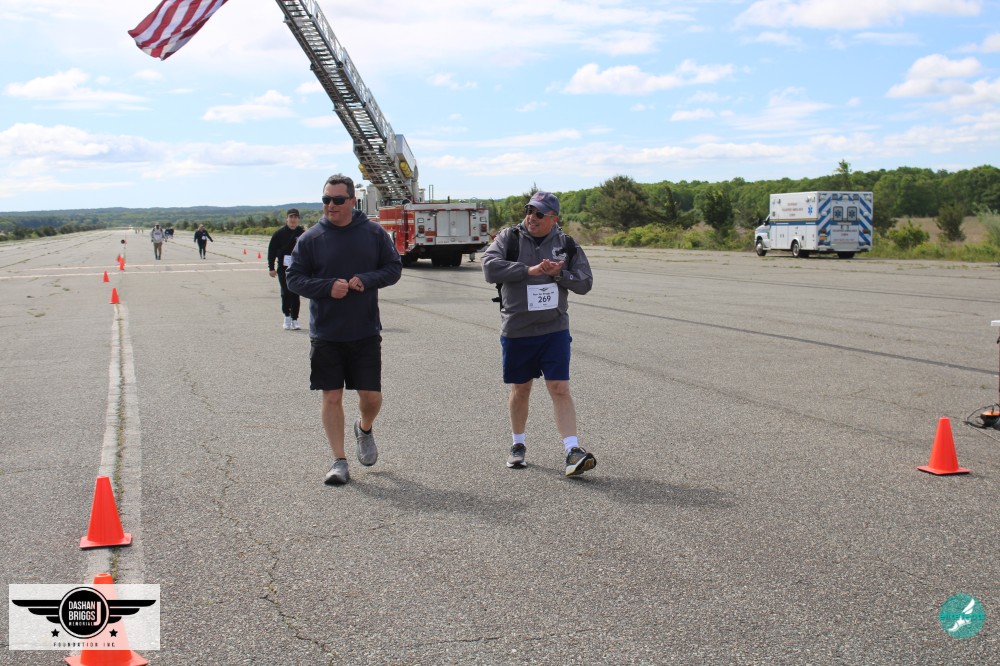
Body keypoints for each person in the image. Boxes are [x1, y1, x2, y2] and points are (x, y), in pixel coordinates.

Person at [286, 175, 402, 485]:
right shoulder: (310, 239)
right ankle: (339, 460)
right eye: (326, 200)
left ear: (352, 201)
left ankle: (364, 428)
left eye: (338, 200)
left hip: (364, 330)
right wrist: (327, 287)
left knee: (371, 396)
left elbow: (393, 268)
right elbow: (293, 279)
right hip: (326, 333)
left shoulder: (373, 233)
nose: (331, 205)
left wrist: (367, 279)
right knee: (332, 396)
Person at [481, 191, 596, 476]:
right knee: (521, 389)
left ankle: (572, 450)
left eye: (540, 213)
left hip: (554, 329)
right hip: (517, 329)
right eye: (529, 210)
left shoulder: (566, 244)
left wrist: (559, 274)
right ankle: (517, 444)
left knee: (559, 388)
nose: (532, 217)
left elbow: (585, 283)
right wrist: (528, 270)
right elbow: (489, 267)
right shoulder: (509, 238)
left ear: (553, 218)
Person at [267, 209, 306, 330]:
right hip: (283, 268)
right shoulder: (279, 234)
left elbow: (308, 251)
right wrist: (271, 267)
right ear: (287, 219)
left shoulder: (303, 234)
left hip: (298, 268)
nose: (293, 219)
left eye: (295, 217)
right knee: (285, 292)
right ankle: (287, 316)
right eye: (291, 217)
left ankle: (295, 318)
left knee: (295, 293)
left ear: (298, 219)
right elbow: (271, 251)